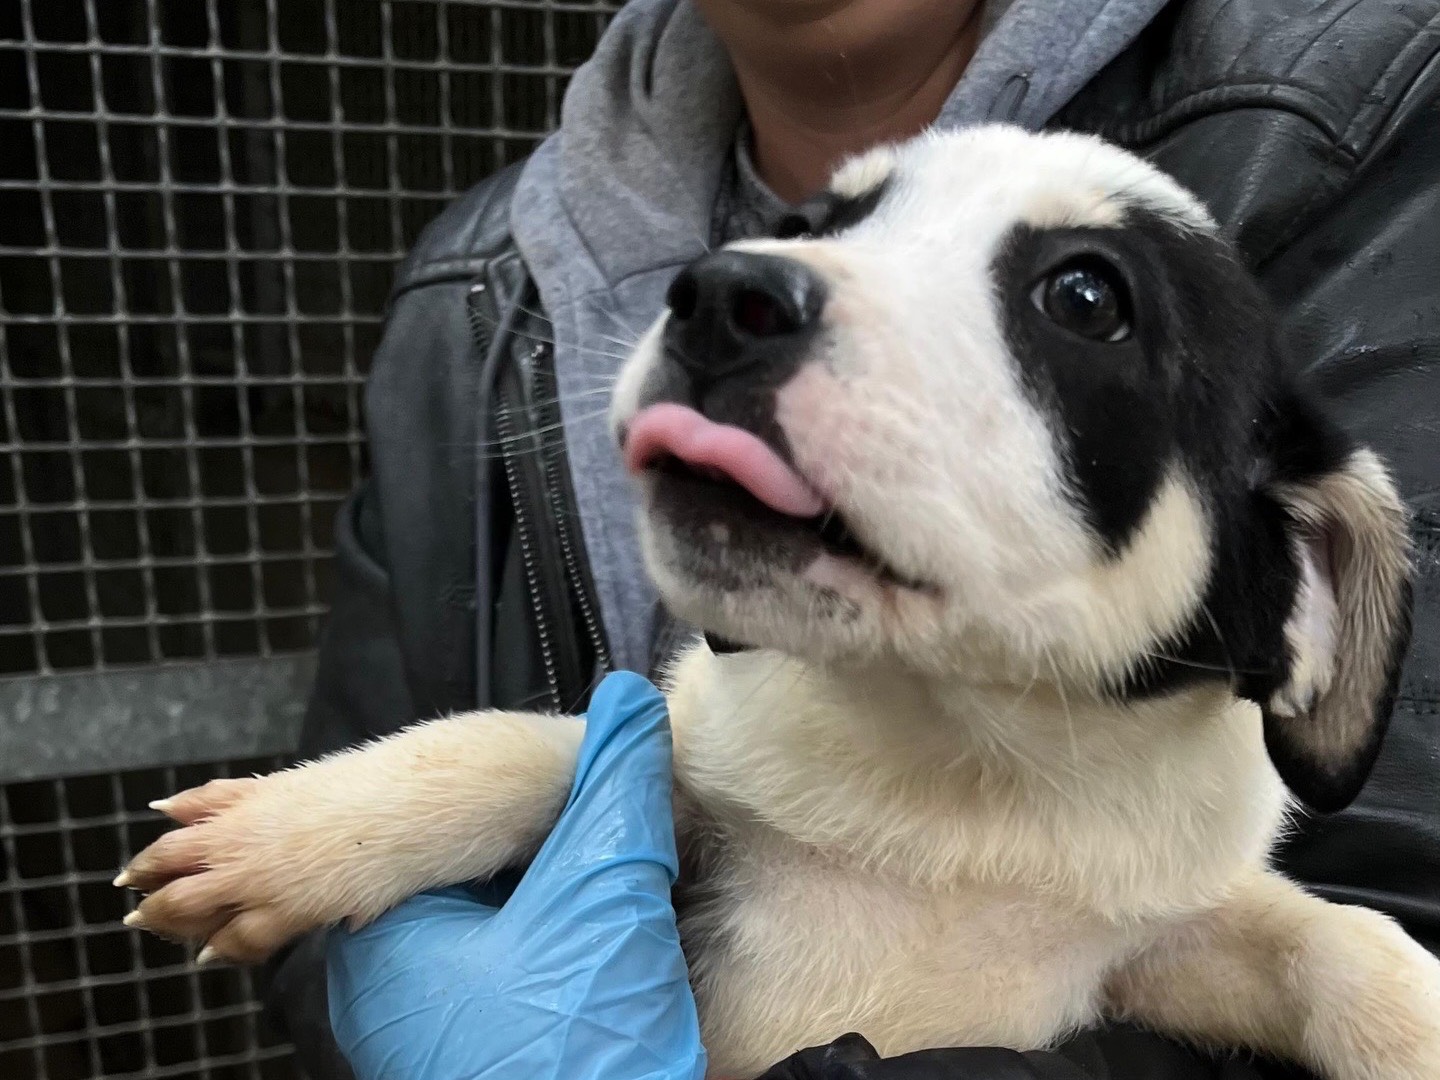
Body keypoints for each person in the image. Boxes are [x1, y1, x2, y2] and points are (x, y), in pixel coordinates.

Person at [261, 0, 1440, 1076]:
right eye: (842, 227)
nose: (748, 294)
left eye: (1081, 299)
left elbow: (1369, 876)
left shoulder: (1368, 110)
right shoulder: (461, 304)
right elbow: (290, 902)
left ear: (1307, 592)